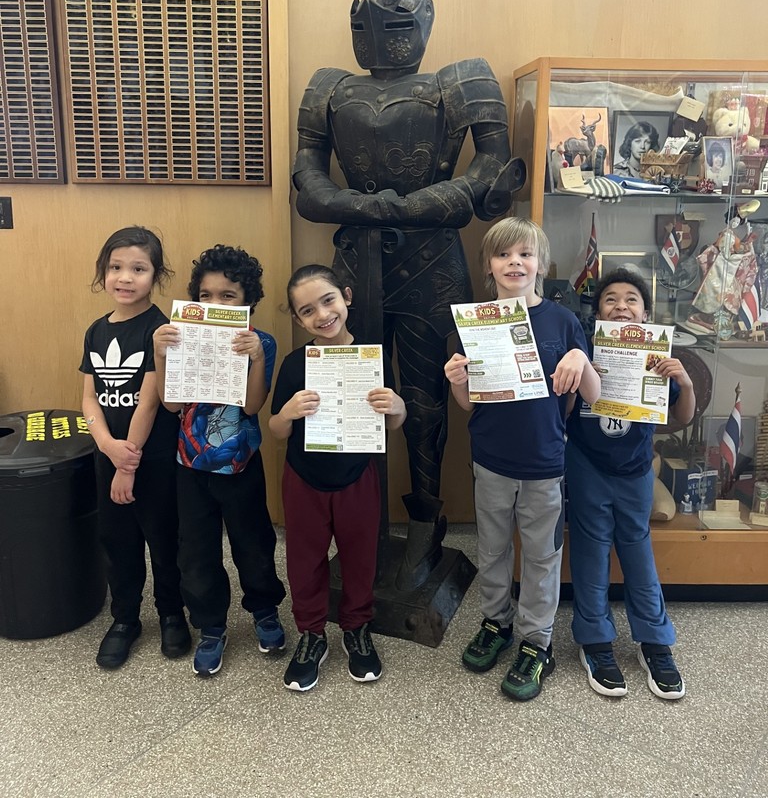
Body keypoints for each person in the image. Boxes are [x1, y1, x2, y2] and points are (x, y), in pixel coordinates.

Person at [292, 0, 523, 588]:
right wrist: (377, 207)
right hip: (356, 261)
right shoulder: (328, 86)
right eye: (372, 26)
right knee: (350, 390)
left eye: (397, 25)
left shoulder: (462, 77)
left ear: (423, 24)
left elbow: (494, 170)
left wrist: (399, 206)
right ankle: (361, 523)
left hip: (431, 261)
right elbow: (307, 182)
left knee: (424, 401)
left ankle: (425, 524)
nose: (383, 38)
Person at [444, 217, 600, 701]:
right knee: (491, 550)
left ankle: (537, 641)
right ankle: (496, 623)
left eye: (525, 254)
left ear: (541, 263)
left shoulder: (562, 321)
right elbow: (469, 404)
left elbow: (590, 397)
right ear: (488, 265)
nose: (515, 262)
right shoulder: (473, 321)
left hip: (544, 464)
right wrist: (456, 379)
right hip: (490, 459)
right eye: (504, 254)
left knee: (541, 556)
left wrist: (582, 361)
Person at [269, 264, 406, 692]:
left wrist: (396, 405)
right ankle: (311, 634)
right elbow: (275, 429)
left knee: (360, 556)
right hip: (304, 478)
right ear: (298, 320)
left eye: (328, 300)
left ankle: (356, 628)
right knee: (304, 561)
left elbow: (394, 423)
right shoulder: (296, 364)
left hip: (357, 476)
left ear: (346, 296)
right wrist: (288, 413)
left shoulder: (374, 357)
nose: (322, 314)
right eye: (307, 310)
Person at [153, 245, 286, 677]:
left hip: (241, 465)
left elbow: (251, 406)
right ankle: (210, 625)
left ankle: (265, 609)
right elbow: (172, 406)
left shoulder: (260, 341)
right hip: (190, 467)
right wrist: (160, 354)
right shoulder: (180, 338)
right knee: (196, 551)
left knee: (255, 541)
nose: (214, 304)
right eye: (206, 296)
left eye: (228, 296)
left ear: (248, 301)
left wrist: (258, 357)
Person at [566, 268, 694, 700]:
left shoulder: (659, 359)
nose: (621, 306)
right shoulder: (582, 348)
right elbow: (562, 411)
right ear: (597, 311)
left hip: (637, 470)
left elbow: (684, 417)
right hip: (587, 467)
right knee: (590, 552)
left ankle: (655, 641)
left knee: (639, 555)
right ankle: (596, 641)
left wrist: (684, 380)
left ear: (645, 312)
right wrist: (585, 370)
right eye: (610, 300)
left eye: (631, 300)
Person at [81, 226, 190, 670]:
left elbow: (149, 402)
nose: (125, 278)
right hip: (109, 457)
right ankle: (125, 619)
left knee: (163, 539)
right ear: (103, 273)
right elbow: (88, 396)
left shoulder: (159, 329)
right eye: (116, 267)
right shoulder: (95, 330)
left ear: (156, 275)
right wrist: (108, 446)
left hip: (153, 459)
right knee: (118, 540)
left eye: (138, 269)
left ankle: (171, 613)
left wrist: (130, 461)